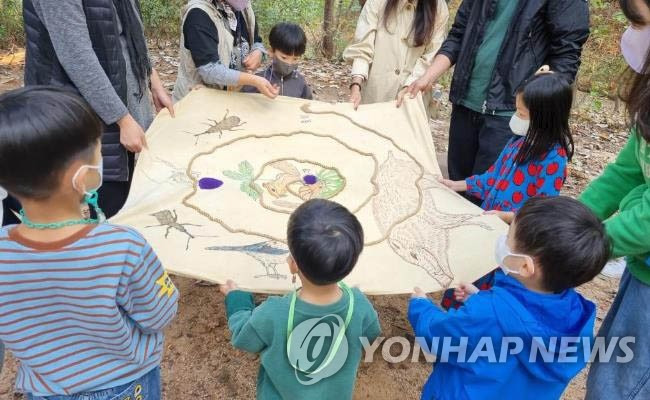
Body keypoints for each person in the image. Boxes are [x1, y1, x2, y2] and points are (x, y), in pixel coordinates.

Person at [0, 87, 179, 399]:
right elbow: (159, 314)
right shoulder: (123, 247)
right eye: (98, 152)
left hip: (47, 390)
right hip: (124, 384)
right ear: (82, 177)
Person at [409, 196, 610, 400]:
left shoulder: (488, 313)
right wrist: (479, 300)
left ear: (525, 266)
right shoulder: (577, 316)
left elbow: (438, 337)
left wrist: (421, 306)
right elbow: (521, 320)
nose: (502, 241)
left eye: (508, 238)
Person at [402, 0, 589, 186]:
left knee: (490, 196)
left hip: (512, 112)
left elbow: (566, 55)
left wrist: (537, 103)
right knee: (455, 187)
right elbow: (459, 34)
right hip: (466, 101)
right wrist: (427, 77)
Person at [22, 0, 174, 219]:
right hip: (80, 115)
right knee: (102, 203)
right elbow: (76, 54)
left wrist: (152, 79)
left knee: (126, 196)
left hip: (122, 104)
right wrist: (122, 118)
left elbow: (130, 32)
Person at [438, 71, 574, 309]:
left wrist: (508, 217)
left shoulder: (554, 160)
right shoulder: (519, 142)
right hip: (486, 229)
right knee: (465, 279)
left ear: (544, 117)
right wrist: (457, 185)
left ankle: (466, 338)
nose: (516, 117)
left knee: (484, 297)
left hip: (511, 242)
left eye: (522, 113)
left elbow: (541, 213)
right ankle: (449, 327)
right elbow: (492, 178)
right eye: (516, 110)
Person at [220, 199, 381, 399]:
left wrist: (238, 301)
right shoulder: (360, 306)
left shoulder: (273, 312)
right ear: (350, 264)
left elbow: (244, 337)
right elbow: (371, 333)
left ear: (293, 265)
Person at [582, 0, 650, 397]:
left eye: (639, 22)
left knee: (620, 387)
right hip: (642, 264)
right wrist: (571, 217)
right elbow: (626, 171)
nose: (632, 34)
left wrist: (580, 244)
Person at [343, 0, 449, 113]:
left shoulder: (439, 8)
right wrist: (356, 85)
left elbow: (431, 56)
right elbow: (363, 47)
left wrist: (410, 86)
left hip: (412, 98)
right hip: (375, 92)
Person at [173, 0, 279, 101]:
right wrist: (254, 80)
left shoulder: (243, 8)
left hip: (231, 97)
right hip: (197, 100)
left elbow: (256, 39)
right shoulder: (198, 15)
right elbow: (209, 70)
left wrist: (258, 51)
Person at [241, 22, 313, 99]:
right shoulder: (258, 80)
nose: (289, 63)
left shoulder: (300, 82)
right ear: (271, 51)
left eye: (295, 59)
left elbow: (308, 103)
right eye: (284, 58)